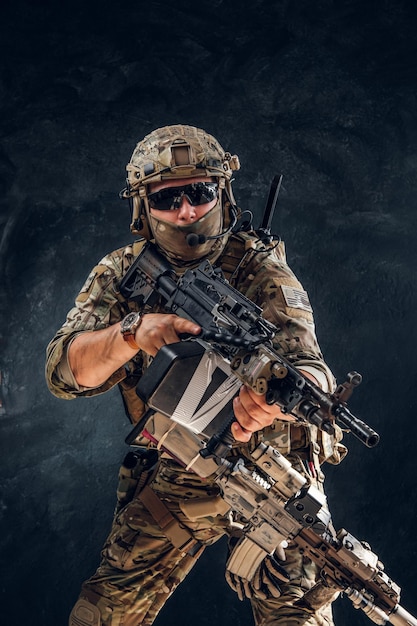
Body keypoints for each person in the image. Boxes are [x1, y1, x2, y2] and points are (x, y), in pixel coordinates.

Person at [45, 124, 346, 626]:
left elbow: (308, 362)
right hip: (180, 468)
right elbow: (62, 371)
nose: (186, 211)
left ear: (222, 193)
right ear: (143, 209)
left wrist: (283, 397)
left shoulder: (259, 267)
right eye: (166, 198)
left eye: (201, 193)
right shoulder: (123, 273)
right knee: (102, 615)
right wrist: (132, 332)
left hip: (272, 472)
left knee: (298, 610)